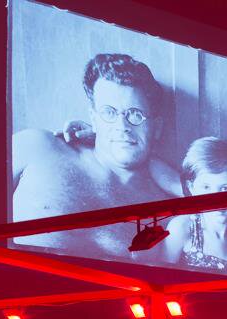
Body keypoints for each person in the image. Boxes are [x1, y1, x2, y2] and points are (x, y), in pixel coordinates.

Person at [12, 53, 177, 258]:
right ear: (94, 118)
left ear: (157, 127)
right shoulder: (38, 146)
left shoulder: (167, 213)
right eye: (109, 112)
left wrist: (175, 182)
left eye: (135, 114)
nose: (122, 126)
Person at [135, 137, 227, 275]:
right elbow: (161, 277)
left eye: (225, 188)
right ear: (192, 188)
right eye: (206, 187)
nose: (216, 200)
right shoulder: (183, 228)